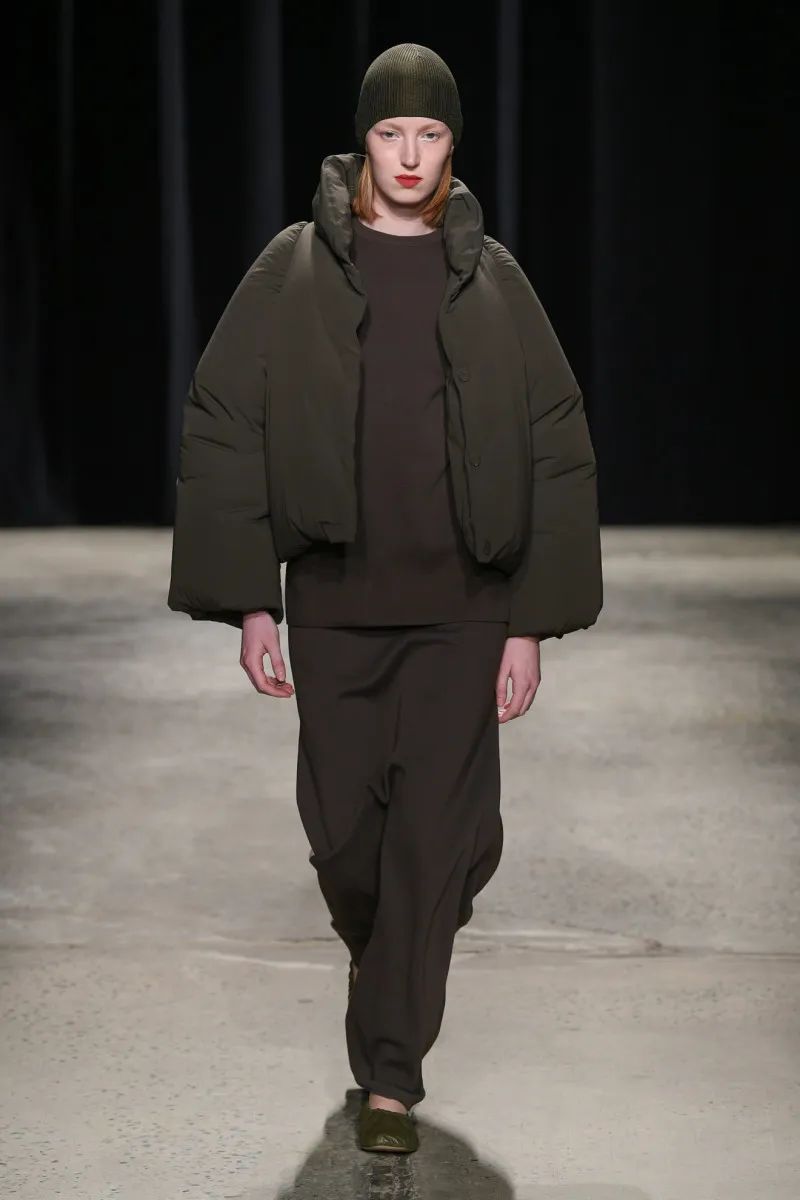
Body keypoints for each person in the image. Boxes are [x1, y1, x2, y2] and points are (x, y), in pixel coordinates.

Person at [167, 42, 602, 1155]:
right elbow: (226, 422)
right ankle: (400, 936)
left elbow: (554, 442)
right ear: (361, 142)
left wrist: (528, 624)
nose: (410, 155)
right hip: (334, 596)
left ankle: (389, 1075)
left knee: (431, 839)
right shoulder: (295, 266)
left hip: (463, 601)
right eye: (390, 132)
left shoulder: (492, 278)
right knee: (344, 839)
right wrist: (251, 603)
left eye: (431, 134)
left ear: (453, 146)